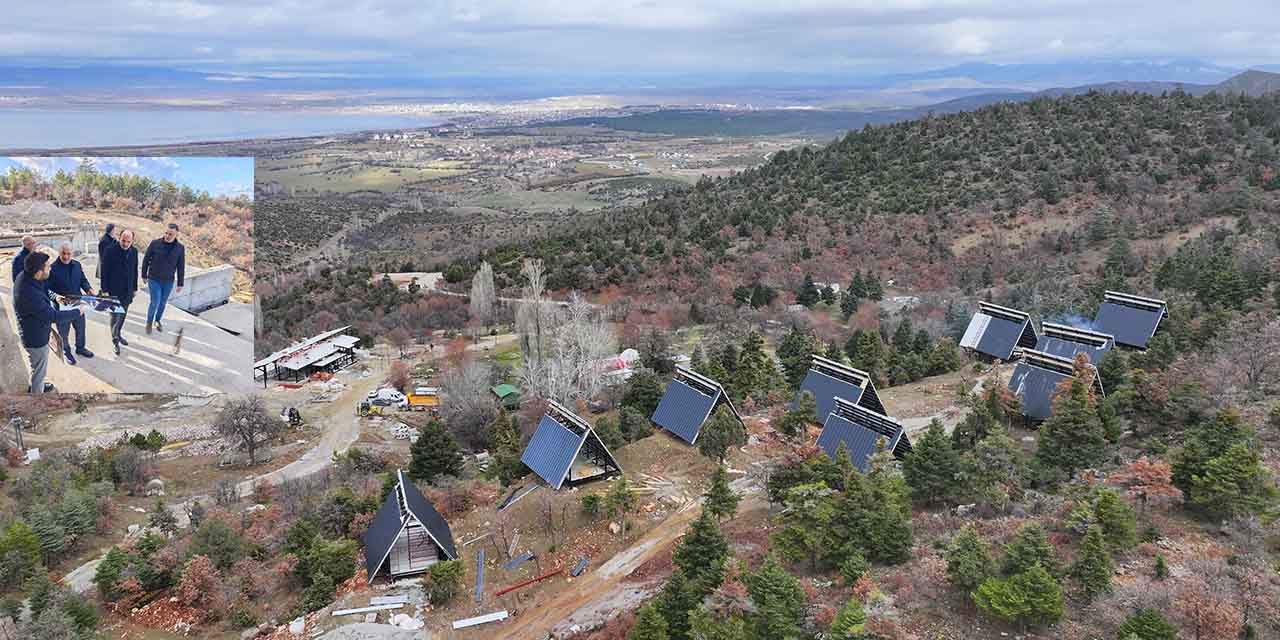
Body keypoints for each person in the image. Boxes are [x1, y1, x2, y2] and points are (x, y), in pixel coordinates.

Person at [14, 252, 78, 394]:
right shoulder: (30, 295)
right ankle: (37, 396)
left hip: (35, 329)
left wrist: (58, 298)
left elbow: (44, 289)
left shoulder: (26, 276)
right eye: (48, 267)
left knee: (37, 367)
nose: (50, 269)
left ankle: (38, 384)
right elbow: (53, 316)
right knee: (39, 369)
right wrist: (77, 312)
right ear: (38, 272)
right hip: (35, 340)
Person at [48, 242, 96, 364]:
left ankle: (80, 348)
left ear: (72, 253)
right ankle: (66, 350)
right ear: (59, 253)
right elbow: (48, 290)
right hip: (61, 308)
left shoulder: (77, 265)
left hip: (77, 304)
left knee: (80, 328)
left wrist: (89, 289)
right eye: (63, 253)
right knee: (63, 332)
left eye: (69, 253)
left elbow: (82, 280)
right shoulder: (52, 268)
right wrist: (57, 299)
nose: (66, 256)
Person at [100, 229, 139, 356]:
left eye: (128, 241)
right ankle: (115, 340)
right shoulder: (110, 250)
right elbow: (104, 272)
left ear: (132, 241)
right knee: (115, 316)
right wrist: (105, 290)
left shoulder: (134, 251)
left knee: (122, 315)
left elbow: (134, 271)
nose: (125, 244)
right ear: (119, 238)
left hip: (127, 291)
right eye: (123, 240)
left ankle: (118, 334)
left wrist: (134, 288)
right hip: (113, 290)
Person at [141, 223, 184, 334]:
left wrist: (180, 283)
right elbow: (146, 259)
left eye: (170, 234)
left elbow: (181, 266)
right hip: (154, 279)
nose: (167, 235)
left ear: (176, 234)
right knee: (155, 301)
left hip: (168, 281)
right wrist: (144, 275)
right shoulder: (155, 244)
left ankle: (157, 320)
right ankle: (149, 322)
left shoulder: (180, 248)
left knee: (163, 303)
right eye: (166, 233)